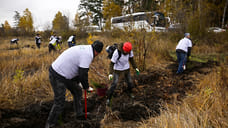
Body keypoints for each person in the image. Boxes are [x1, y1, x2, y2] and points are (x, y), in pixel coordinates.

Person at [45, 40, 103, 128]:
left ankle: (79, 114)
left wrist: (78, 83)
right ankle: (50, 125)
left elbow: (77, 69)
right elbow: (83, 74)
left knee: (78, 91)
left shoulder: (87, 48)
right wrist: (86, 87)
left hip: (65, 75)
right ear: (97, 52)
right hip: (58, 75)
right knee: (59, 101)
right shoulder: (88, 55)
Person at [106, 42, 139, 106]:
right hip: (117, 69)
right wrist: (110, 73)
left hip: (126, 68)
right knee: (114, 83)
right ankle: (109, 98)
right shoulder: (117, 53)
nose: (127, 53)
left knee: (129, 82)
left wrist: (135, 68)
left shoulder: (130, 51)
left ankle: (130, 93)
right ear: (123, 49)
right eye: (126, 51)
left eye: (128, 51)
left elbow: (131, 59)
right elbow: (112, 63)